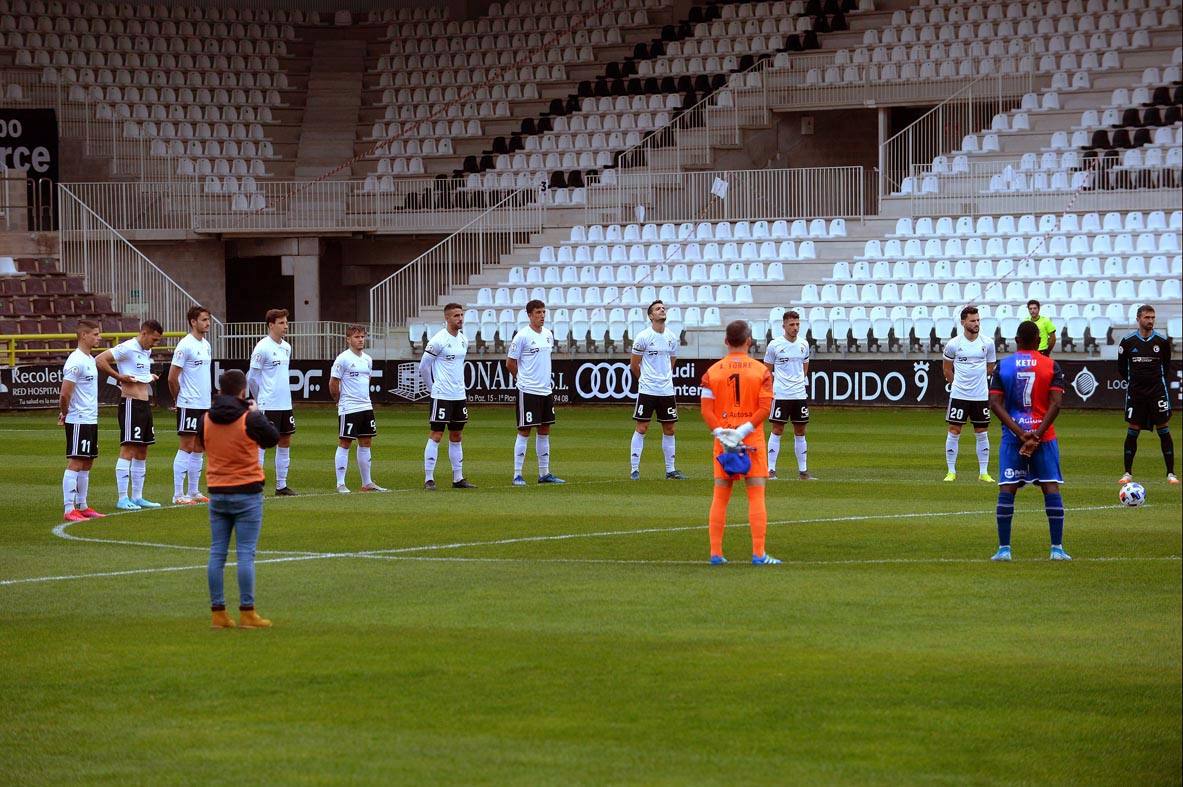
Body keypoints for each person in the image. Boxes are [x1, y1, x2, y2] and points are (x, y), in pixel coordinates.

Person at [198, 369, 279, 629]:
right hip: (246, 491)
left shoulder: (206, 418)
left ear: (220, 390)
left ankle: (218, 612)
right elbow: (272, 439)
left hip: (217, 491)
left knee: (217, 552)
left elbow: (202, 444)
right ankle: (247, 611)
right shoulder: (249, 418)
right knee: (245, 554)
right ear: (243, 391)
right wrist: (256, 413)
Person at [988, 320, 1071, 562]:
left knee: (1007, 489)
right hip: (1044, 438)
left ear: (1016, 340)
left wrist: (1021, 434)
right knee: (1050, 486)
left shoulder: (1003, 366)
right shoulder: (1051, 365)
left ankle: (1004, 549)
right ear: (1038, 340)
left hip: (1013, 439)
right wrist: (1037, 435)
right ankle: (1057, 549)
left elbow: (994, 404)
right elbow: (1056, 403)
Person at [700, 320, 780, 565]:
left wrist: (722, 433)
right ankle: (758, 554)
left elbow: (706, 410)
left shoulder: (711, 372)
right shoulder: (761, 371)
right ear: (749, 341)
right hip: (751, 440)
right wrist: (743, 430)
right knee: (756, 495)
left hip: (723, 441)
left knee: (720, 495)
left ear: (726, 341)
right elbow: (765, 408)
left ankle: (715, 553)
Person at [96, 319, 163, 511]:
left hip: (144, 404)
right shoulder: (127, 347)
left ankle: (138, 497)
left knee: (142, 450)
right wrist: (119, 377)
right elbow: (99, 360)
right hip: (131, 404)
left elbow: (139, 373)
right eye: (154, 339)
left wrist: (149, 377)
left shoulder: (145, 350)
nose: (155, 343)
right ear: (144, 333)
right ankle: (122, 498)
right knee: (128, 449)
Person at [418, 303, 476, 490]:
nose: (460, 318)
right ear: (447, 318)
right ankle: (429, 478)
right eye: (456, 316)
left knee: (457, 435)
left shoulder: (463, 340)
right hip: (441, 394)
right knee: (436, 434)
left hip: (458, 395)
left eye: (461, 315)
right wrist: (432, 388)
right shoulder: (438, 340)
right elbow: (424, 366)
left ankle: (458, 478)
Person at [506, 299, 564, 485]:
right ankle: (517, 474)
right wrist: (521, 380)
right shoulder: (522, 336)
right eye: (538, 313)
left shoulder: (548, 334)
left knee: (545, 429)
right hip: (528, 390)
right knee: (524, 430)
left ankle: (544, 473)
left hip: (545, 390)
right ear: (529, 315)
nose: (542, 316)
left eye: (543, 312)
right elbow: (510, 363)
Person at [1118, 304, 1177, 485]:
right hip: (1136, 392)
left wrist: (1153, 380)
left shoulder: (1161, 341)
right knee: (1133, 429)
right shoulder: (1127, 342)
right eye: (1147, 317)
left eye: (1152, 317)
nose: (1150, 321)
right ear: (1138, 319)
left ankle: (1171, 473)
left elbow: (1166, 367)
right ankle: (1127, 473)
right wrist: (1137, 381)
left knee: (1163, 428)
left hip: (1157, 392)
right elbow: (1122, 368)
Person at [628, 299, 685, 480]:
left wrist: (664, 377)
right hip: (648, 390)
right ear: (651, 316)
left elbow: (672, 362)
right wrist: (645, 380)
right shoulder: (643, 337)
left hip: (666, 390)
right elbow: (634, 365)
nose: (662, 310)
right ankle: (634, 469)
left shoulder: (671, 337)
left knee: (670, 428)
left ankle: (670, 470)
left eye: (663, 308)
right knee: (642, 427)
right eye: (658, 309)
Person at [942, 305, 997, 483]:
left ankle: (983, 472)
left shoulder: (987, 343)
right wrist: (958, 386)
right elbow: (947, 370)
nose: (976, 323)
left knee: (982, 432)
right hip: (959, 395)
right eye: (972, 320)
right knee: (954, 430)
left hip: (980, 395)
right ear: (963, 322)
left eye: (978, 320)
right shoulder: (953, 344)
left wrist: (979, 383)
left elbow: (990, 367)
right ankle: (951, 471)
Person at [330, 325, 388, 494]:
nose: (361, 339)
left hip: (365, 406)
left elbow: (367, 380)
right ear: (348, 339)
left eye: (362, 336)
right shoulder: (343, 359)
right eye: (357, 337)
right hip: (349, 407)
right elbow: (333, 383)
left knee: (366, 442)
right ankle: (340, 483)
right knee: (345, 442)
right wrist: (339, 401)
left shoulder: (368, 359)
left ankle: (367, 483)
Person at [59, 319, 106, 522]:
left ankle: (83, 505)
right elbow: (64, 394)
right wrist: (65, 413)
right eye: (95, 334)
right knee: (76, 461)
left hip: (90, 418)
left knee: (87, 462)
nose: (99, 337)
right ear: (83, 336)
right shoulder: (75, 361)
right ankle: (69, 508)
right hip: (78, 418)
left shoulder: (89, 359)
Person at [248, 308, 297, 496]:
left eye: (286, 322)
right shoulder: (262, 347)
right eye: (281, 323)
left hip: (285, 403)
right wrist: (261, 398)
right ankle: (256, 486)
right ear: (271, 325)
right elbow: (253, 377)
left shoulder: (286, 347)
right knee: (262, 443)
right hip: (268, 404)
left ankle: (281, 486)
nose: (285, 326)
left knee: (285, 440)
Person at [168, 305, 212, 505]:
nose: (208, 323)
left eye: (208, 319)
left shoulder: (206, 344)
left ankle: (193, 491)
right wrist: (178, 399)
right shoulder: (184, 345)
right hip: (189, 403)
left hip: (204, 403)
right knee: (186, 446)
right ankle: (178, 494)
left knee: (200, 446)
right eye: (203, 319)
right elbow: (172, 378)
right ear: (193, 322)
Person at [763, 309, 814, 481]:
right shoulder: (774, 345)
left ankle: (803, 472)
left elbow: (805, 366)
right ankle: (770, 470)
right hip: (781, 394)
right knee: (777, 430)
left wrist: (799, 382)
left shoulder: (804, 344)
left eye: (798, 324)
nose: (795, 327)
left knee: (801, 431)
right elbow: (767, 370)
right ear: (783, 325)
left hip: (799, 394)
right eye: (792, 324)